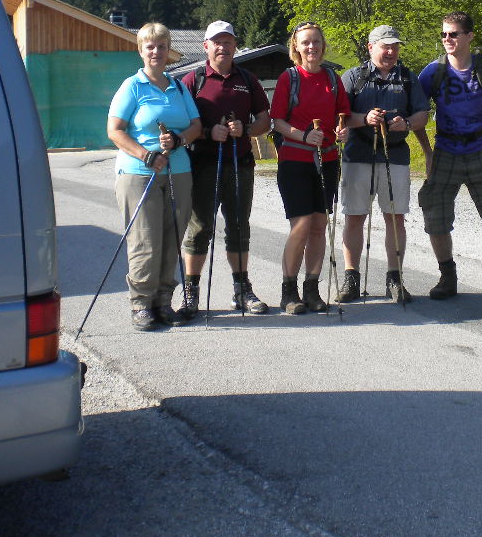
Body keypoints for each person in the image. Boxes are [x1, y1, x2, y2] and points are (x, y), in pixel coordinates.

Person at [107, 23, 202, 331]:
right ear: (141, 50)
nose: (156, 52)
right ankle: (141, 304)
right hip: (139, 172)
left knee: (172, 237)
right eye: (150, 47)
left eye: (161, 46)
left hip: (178, 170)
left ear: (168, 51)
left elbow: (195, 126)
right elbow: (115, 130)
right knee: (145, 240)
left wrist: (177, 140)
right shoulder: (132, 86)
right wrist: (145, 154)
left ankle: (163, 302)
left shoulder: (178, 87)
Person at [417, 11, 482, 302]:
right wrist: (427, 152)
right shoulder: (432, 72)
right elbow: (418, 116)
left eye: (454, 34)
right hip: (445, 152)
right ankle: (447, 276)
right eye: (444, 34)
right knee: (435, 215)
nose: (447, 39)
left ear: (469, 36)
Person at [178, 20, 272, 319]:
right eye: (216, 42)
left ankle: (242, 289)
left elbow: (264, 121)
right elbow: (184, 125)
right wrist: (208, 133)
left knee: (239, 228)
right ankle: (191, 292)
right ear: (206, 46)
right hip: (203, 165)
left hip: (239, 164)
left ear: (235, 45)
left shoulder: (248, 79)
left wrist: (244, 129)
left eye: (228, 41)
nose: (223, 46)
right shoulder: (194, 80)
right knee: (199, 229)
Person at [339, 25, 430, 303]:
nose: (390, 51)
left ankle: (395, 277)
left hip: (396, 154)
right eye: (384, 46)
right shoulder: (353, 77)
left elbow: (423, 115)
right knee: (355, 217)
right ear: (371, 47)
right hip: (359, 153)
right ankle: (351, 278)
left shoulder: (408, 78)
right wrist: (363, 119)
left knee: (395, 218)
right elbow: (339, 117)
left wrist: (407, 123)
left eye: (394, 46)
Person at [270, 22, 351, 314]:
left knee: (319, 225)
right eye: (305, 42)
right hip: (294, 160)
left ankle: (312, 289)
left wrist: (343, 131)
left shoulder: (332, 78)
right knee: (301, 225)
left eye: (316, 41)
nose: (311, 47)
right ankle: (288, 291)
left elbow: (344, 116)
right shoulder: (288, 78)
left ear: (323, 45)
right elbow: (277, 121)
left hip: (327, 160)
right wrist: (303, 135)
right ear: (296, 47)